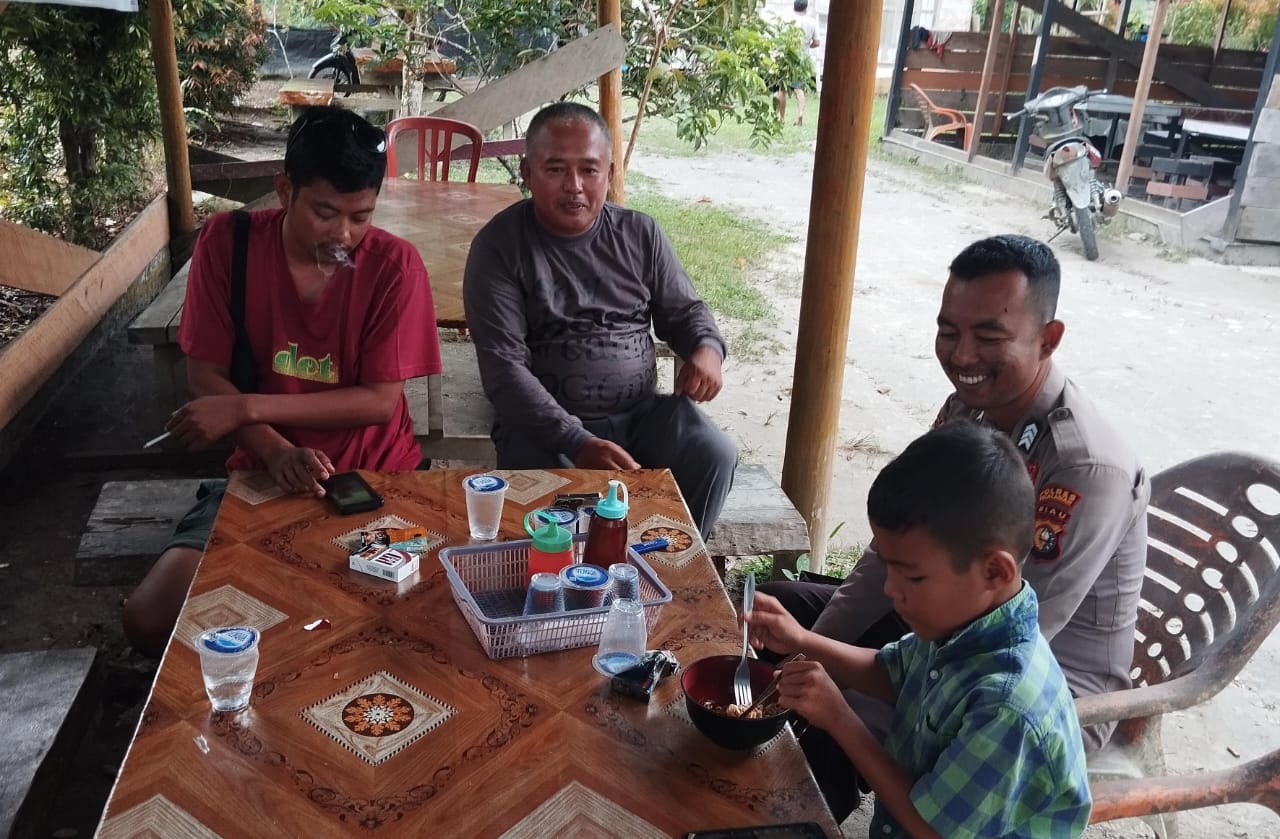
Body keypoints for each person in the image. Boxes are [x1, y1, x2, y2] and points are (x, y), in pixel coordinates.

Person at [759, 234, 1147, 814]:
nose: (962, 356)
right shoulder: (970, 406)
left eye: (989, 336)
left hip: (1045, 678)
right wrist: (811, 645)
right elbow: (896, 544)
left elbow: (1026, 625)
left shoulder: (1085, 465)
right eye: (948, 332)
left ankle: (804, 813)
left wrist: (834, 687)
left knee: (827, 721)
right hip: (947, 612)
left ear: (1049, 338)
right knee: (777, 612)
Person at [123, 106, 442, 658]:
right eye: (324, 212)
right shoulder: (229, 243)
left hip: (375, 473)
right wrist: (274, 452)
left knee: (392, 632)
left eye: (361, 217)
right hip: (258, 473)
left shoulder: (395, 266)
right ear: (283, 188)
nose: (343, 234)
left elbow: (377, 401)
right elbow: (206, 375)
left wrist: (245, 409)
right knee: (149, 620)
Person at [748, 421, 1092, 839]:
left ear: (994, 571)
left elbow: (933, 828)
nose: (892, 589)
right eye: (889, 567)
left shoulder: (1007, 706)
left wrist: (839, 717)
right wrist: (802, 640)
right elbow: (890, 670)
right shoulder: (962, 626)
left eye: (912, 577)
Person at [462, 102, 737, 535]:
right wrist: (576, 441)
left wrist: (707, 348)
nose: (574, 186)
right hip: (544, 428)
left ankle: (673, 567)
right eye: (555, 169)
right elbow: (503, 370)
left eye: (589, 170)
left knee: (712, 452)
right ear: (526, 171)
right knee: (550, 525)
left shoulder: (640, 234)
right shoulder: (499, 247)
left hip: (641, 414)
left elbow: (685, 312)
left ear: (609, 173)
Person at [774, 0, 821, 126]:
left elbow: (780, 39)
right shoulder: (812, 22)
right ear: (806, 8)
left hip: (787, 58)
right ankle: (800, 114)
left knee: (782, 89)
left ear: (794, 6)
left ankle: (781, 118)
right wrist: (807, 46)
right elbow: (817, 42)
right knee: (799, 89)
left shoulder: (787, 20)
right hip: (802, 60)